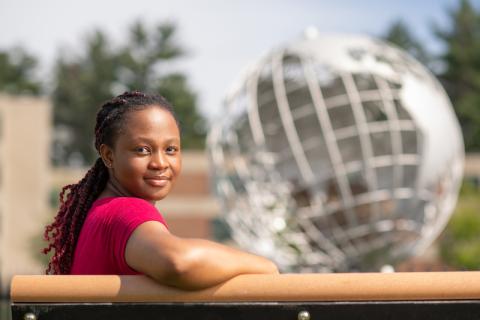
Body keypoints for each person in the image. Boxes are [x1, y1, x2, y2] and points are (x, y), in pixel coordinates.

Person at [43, 91, 278, 289]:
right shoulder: (126, 211)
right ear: (108, 155)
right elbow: (178, 262)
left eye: (171, 149)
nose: (160, 162)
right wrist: (265, 266)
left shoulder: (99, 212)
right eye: (142, 150)